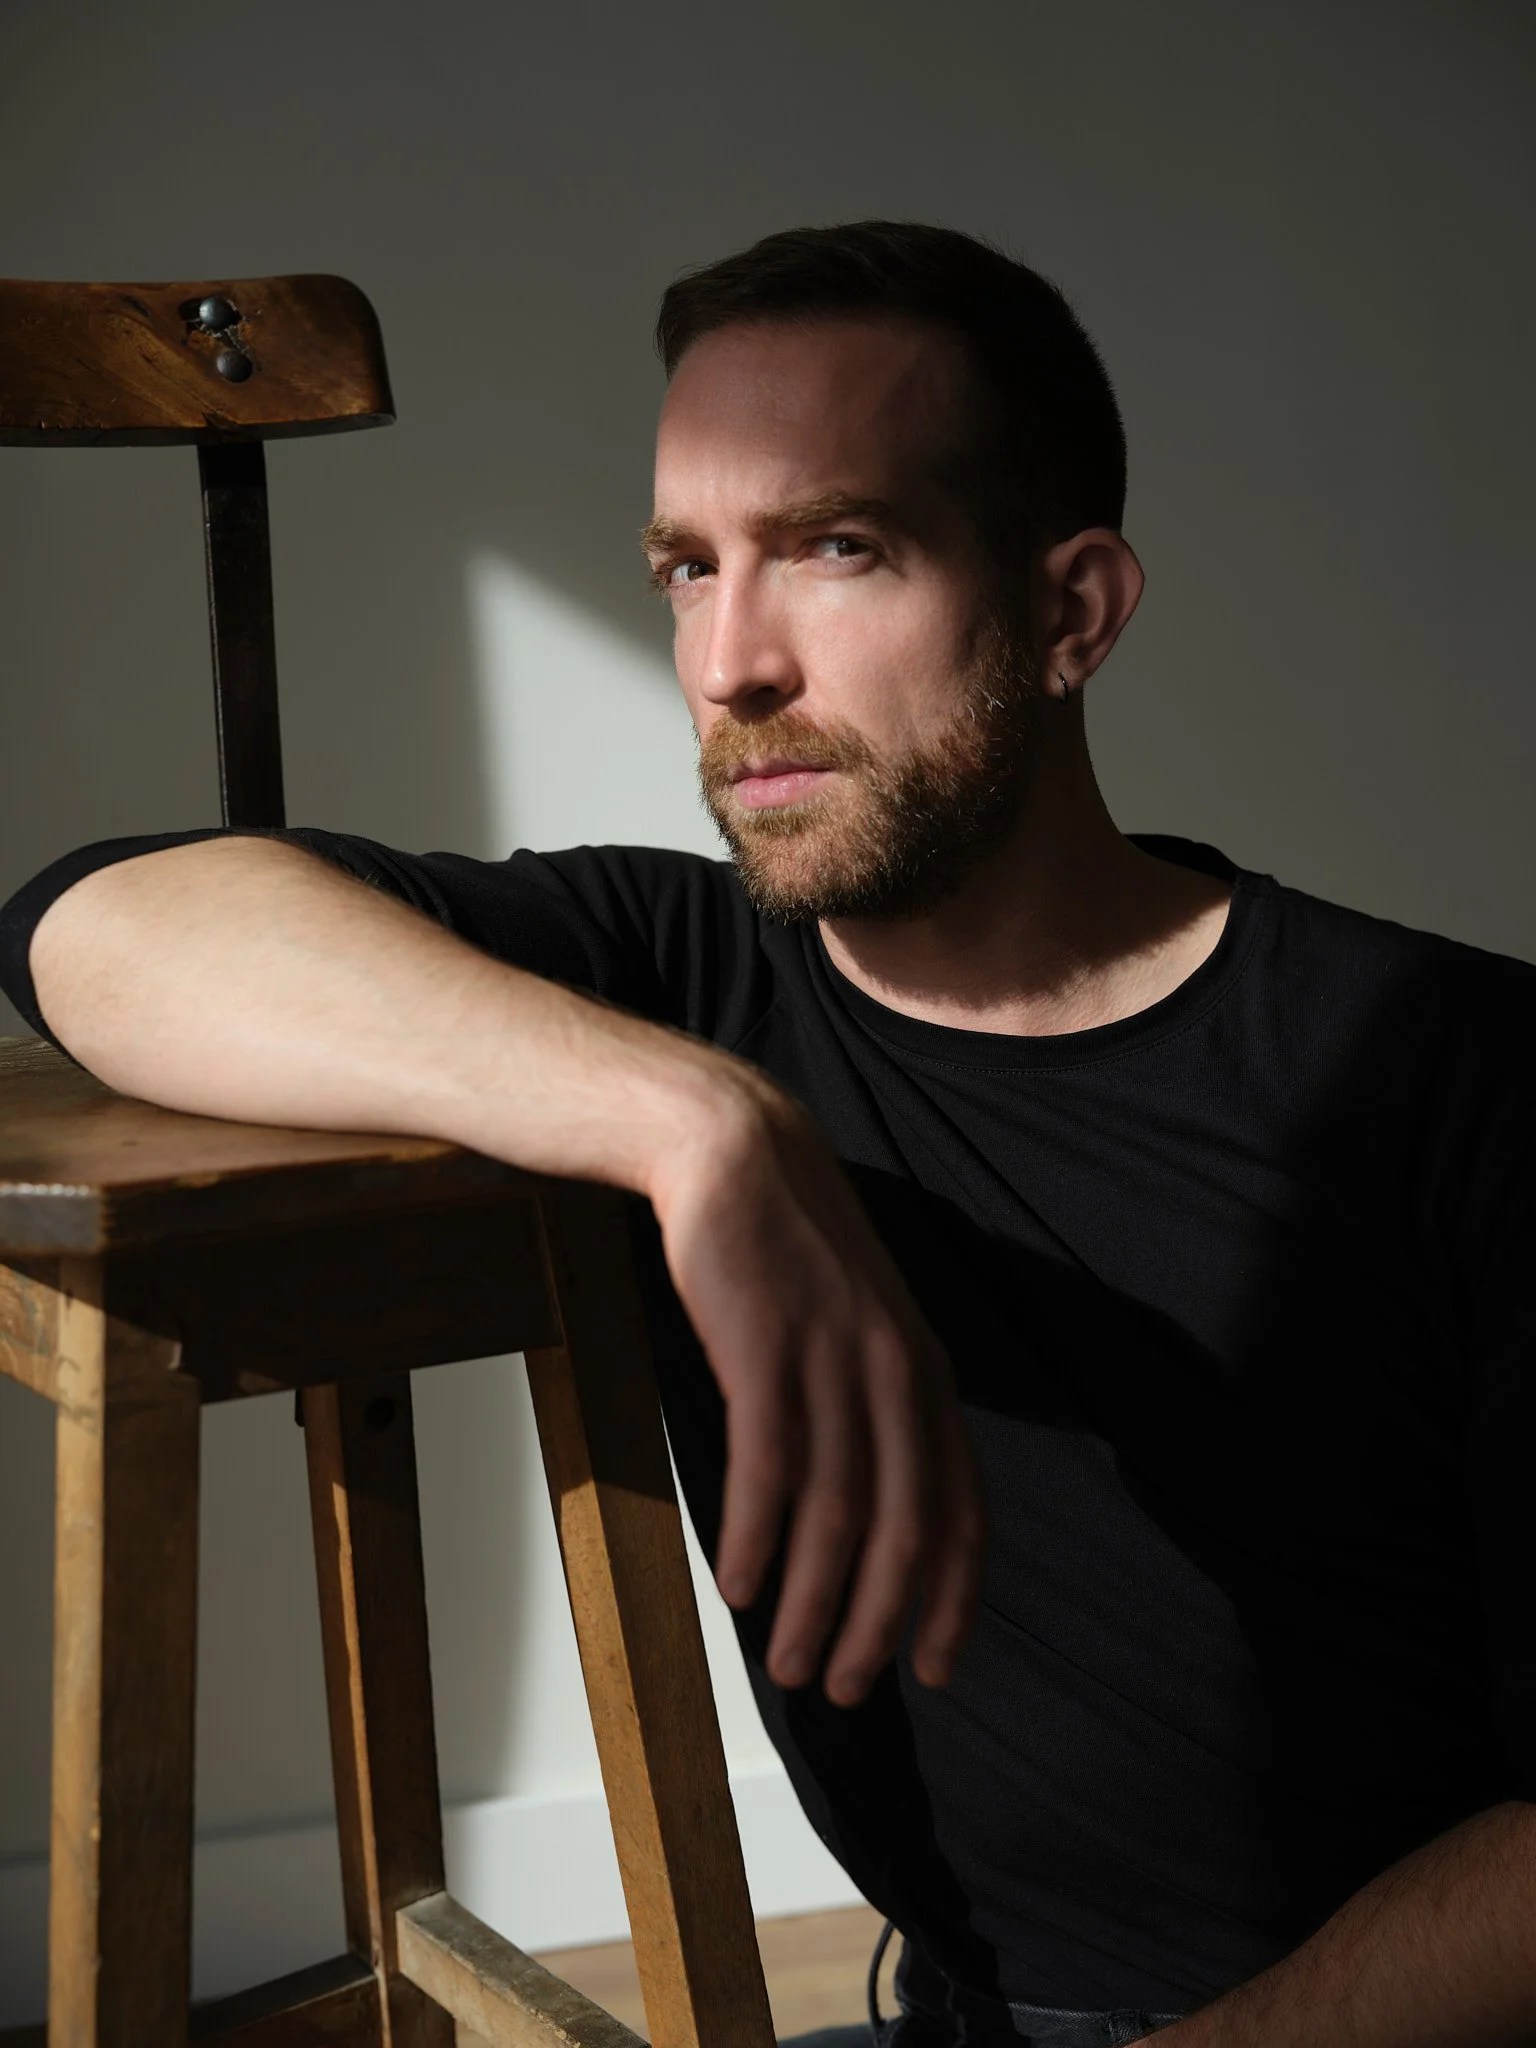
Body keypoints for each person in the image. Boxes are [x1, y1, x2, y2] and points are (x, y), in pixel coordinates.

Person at [3, 221, 1535, 2048]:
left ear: (1074, 613)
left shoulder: (1458, 1072)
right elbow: (94, 922)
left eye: (837, 549)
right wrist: (697, 1120)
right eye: (683, 568)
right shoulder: (682, 983)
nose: (732, 664)